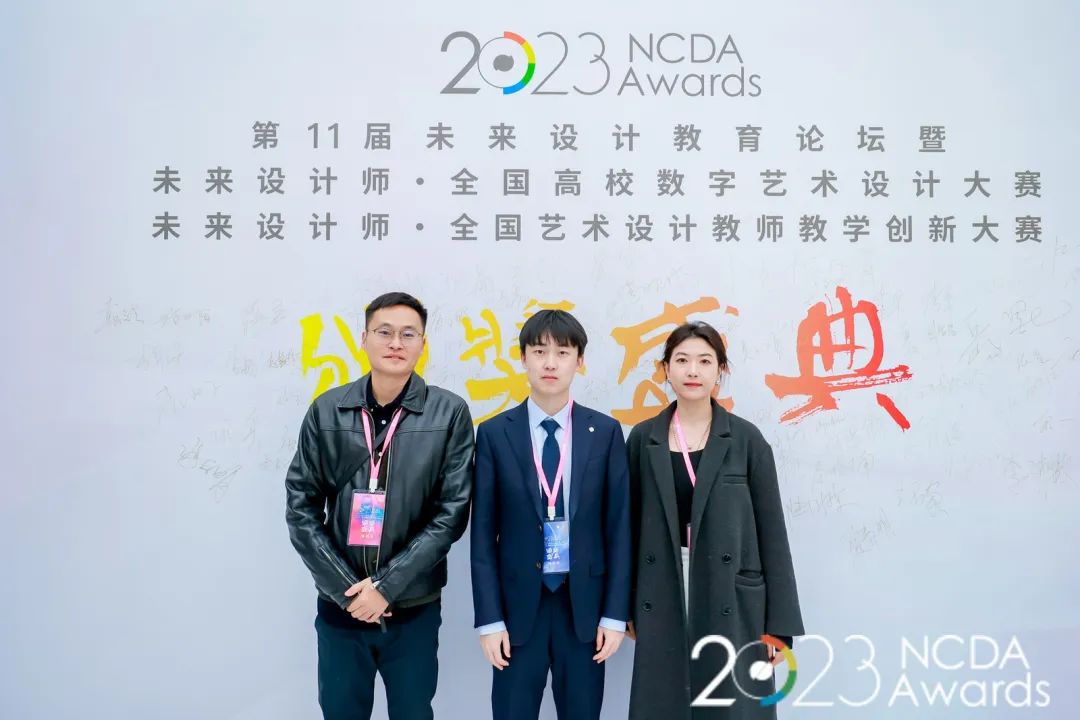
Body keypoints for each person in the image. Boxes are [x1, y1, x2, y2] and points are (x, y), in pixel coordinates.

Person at [285, 291, 475, 720]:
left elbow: (451, 514)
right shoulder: (328, 410)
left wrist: (386, 587)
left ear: (423, 344)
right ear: (364, 339)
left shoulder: (448, 413)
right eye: (384, 332)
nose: (395, 343)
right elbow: (301, 507)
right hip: (341, 605)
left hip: (413, 607)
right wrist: (348, 590)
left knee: (412, 712)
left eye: (408, 334)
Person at [626, 321, 804, 720]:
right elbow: (628, 529)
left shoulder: (746, 440)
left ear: (720, 370)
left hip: (731, 590)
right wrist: (626, 605)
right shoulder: (643, 439)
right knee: (666, 700)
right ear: (665, 369)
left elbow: (773, 533)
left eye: (705, 361)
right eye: (682, 360)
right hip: (664, 582)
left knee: (730, 703)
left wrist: (780, 625)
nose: (693, 371)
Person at [470, 309, 631, 720]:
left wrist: (615, 615)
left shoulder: (605, 432)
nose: (550, 363)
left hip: (584, 610)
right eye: (539, 351)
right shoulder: (494, 433)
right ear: (522, 357)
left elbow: (619, 529)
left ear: (580, 361)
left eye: (563, 352)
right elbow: (482, 536)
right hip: (517, 611)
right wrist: (489, 620)